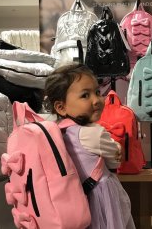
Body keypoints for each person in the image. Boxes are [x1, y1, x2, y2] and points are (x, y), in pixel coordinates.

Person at [44, 63, 136, 229]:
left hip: (76, 199)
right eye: (85, 95)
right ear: (61, 107)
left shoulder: (58, 130)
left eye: (97, 92)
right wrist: (118, 149)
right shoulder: (94, 133)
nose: (97, 100)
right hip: (101, 199)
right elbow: (114, 161)